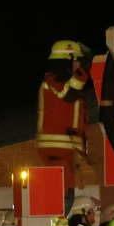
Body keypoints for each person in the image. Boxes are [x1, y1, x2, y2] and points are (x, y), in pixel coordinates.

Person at [37, 40, 93, 214]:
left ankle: (58, 223)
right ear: (68, 59)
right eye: (78, 61)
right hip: (56, 148)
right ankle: (55, 224)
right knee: (63, 193)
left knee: (67, 191)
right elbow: (67, 93)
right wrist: (82, 71)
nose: (79, 65)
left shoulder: (64, 81)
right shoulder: (53, 79)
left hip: (64, 148)